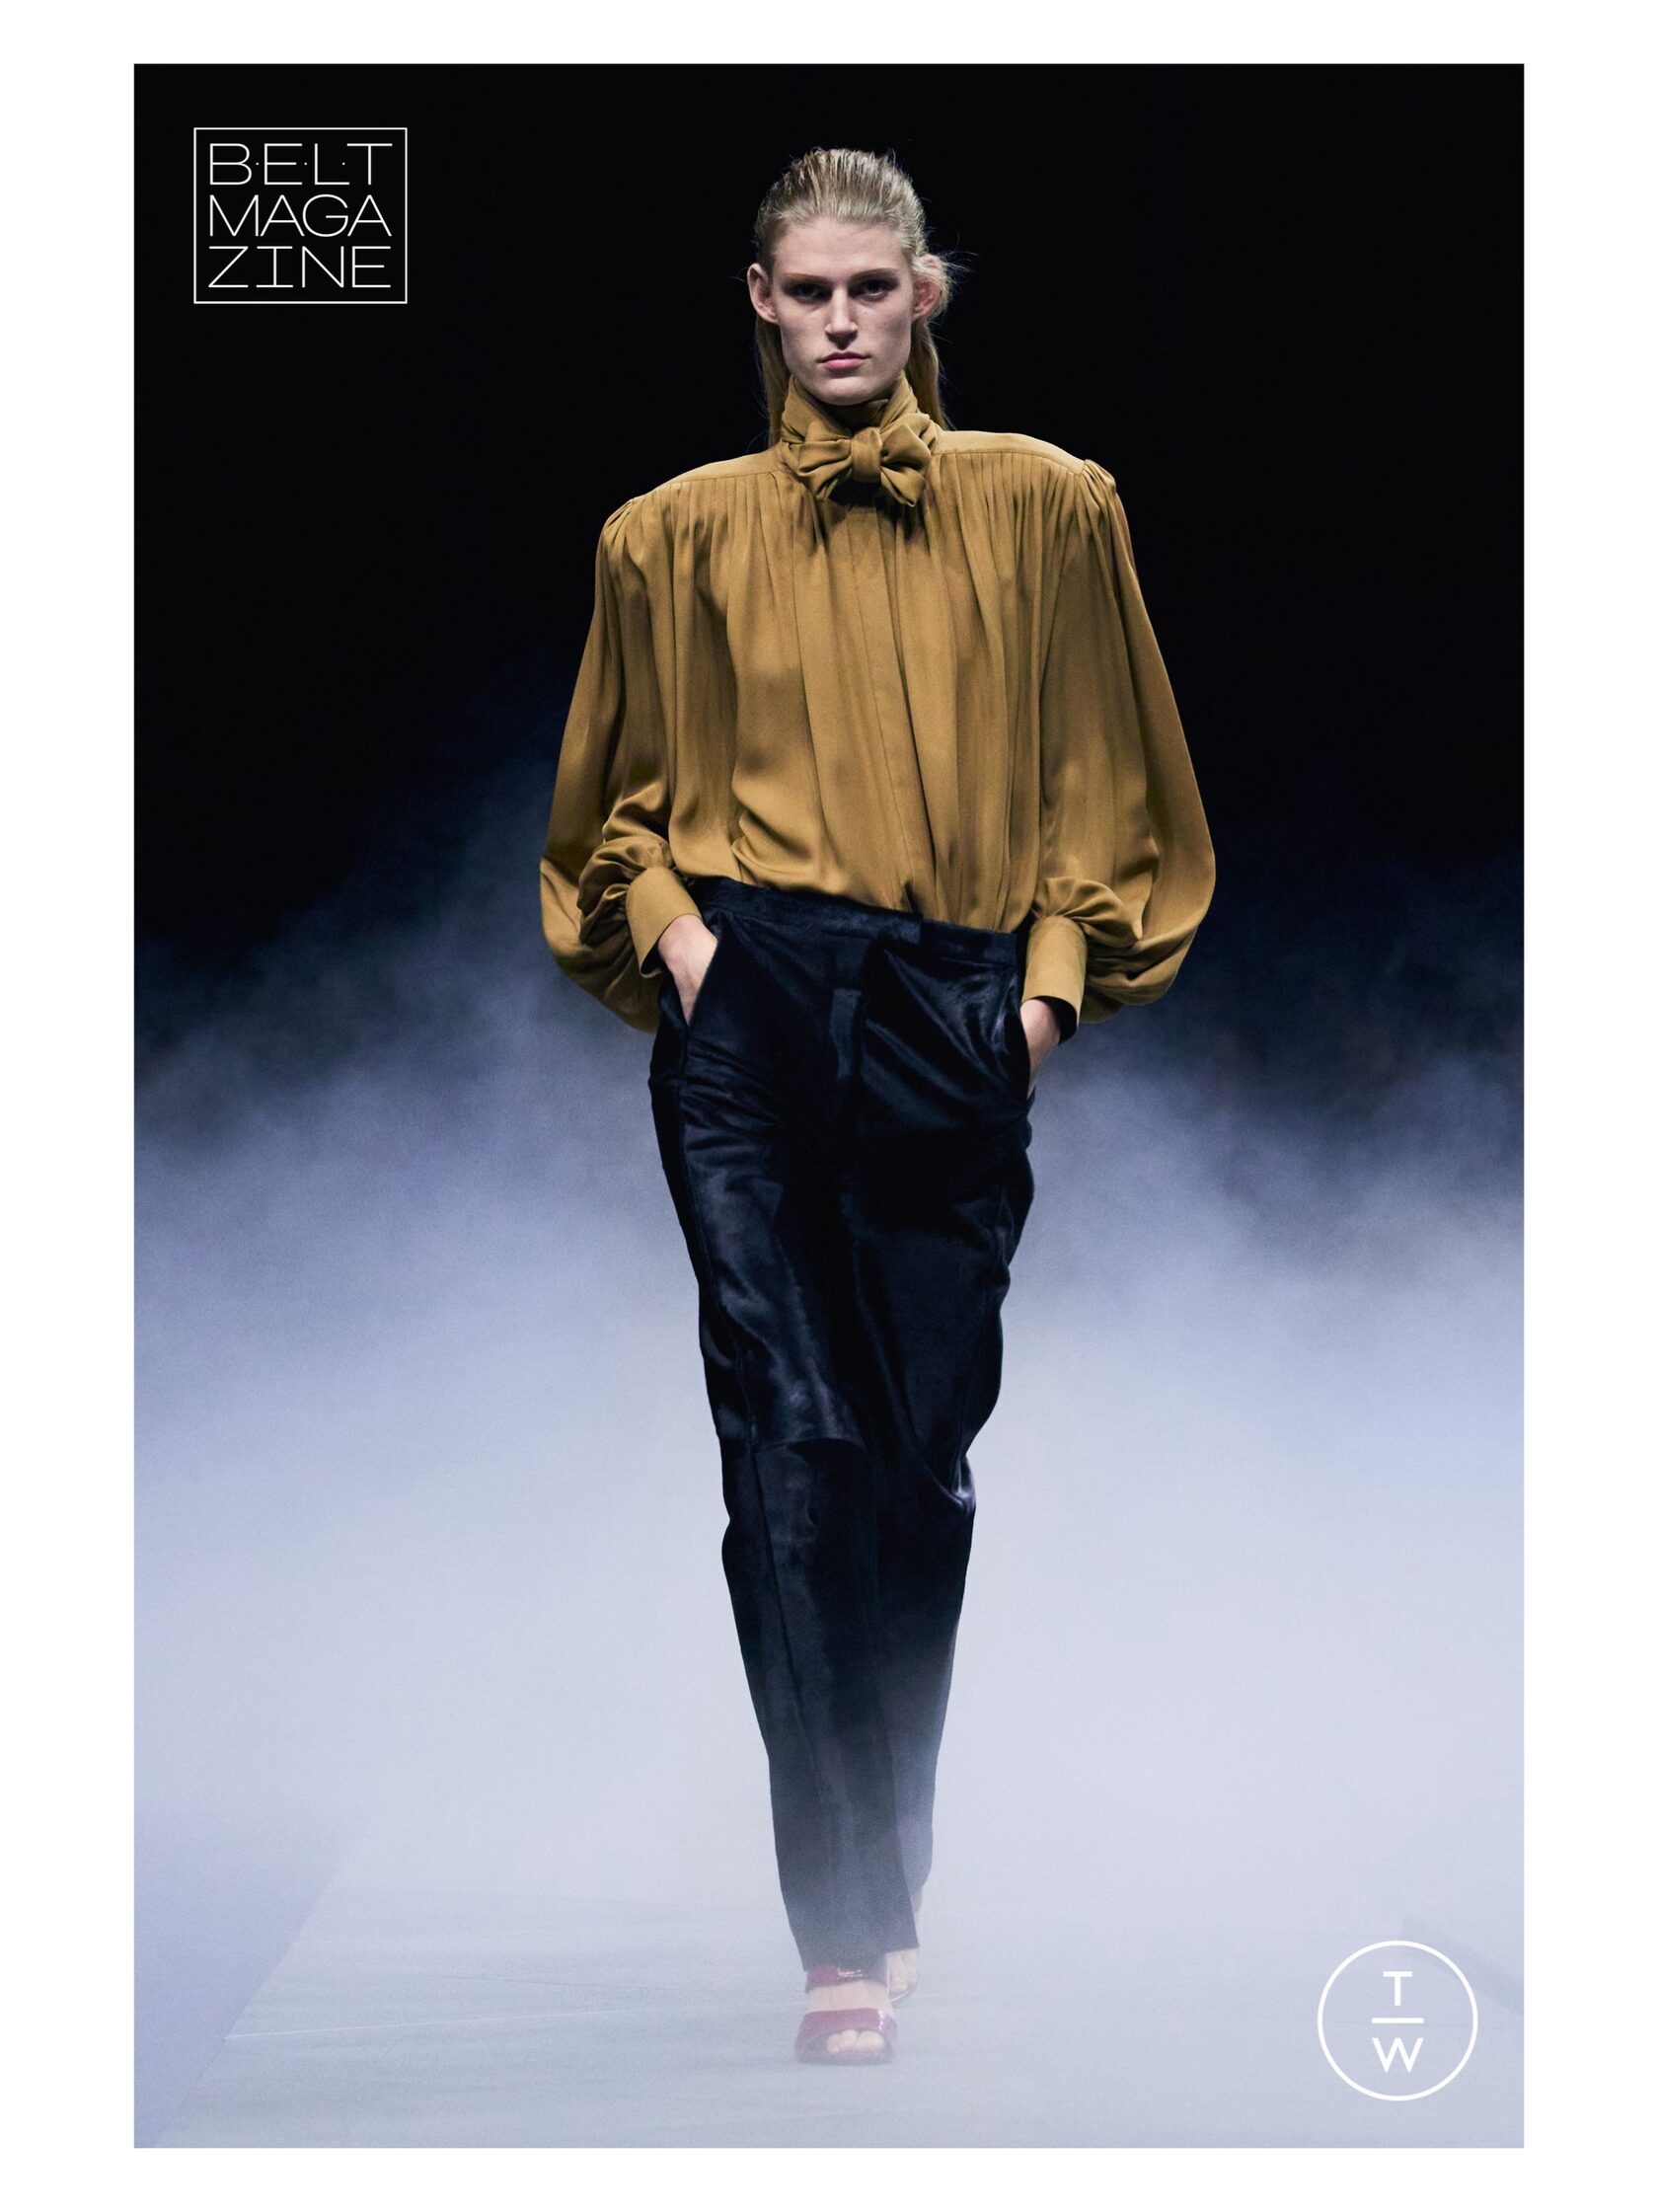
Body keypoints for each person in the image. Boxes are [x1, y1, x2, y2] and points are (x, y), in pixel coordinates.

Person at [539, 146, 1215, 2065]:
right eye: (807, 290)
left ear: (926, 294)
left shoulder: (1053, 505)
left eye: (871, 287)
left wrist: (1042, 1000)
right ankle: (841, 1929)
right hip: (747, 998)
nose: (839, 321)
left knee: (915, 1465)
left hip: (951, 998)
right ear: (759, 303)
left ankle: (885, 1855)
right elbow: (608, 808)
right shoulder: (663, 536)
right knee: (792, 1438)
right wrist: (686, 948)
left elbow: (1113, 773)